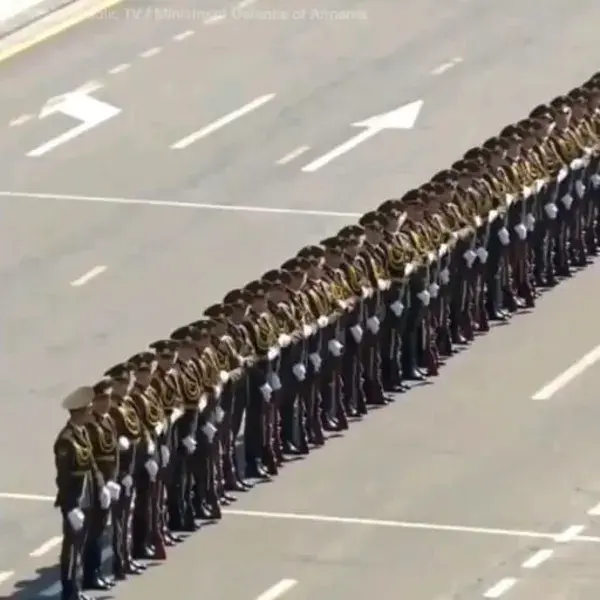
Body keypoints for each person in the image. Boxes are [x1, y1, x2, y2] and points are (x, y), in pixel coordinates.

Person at [54, 386, 96, 600]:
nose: (92, 412)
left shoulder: (82, 433)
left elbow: (90, 465)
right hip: (74, 502)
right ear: (79, 412)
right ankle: (69, 592)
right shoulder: (66, 440)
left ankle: (77, 589)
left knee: (79, 546)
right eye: (89, 409)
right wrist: (70, 508)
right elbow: (64, 479)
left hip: (85, 496)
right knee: (71, 549)